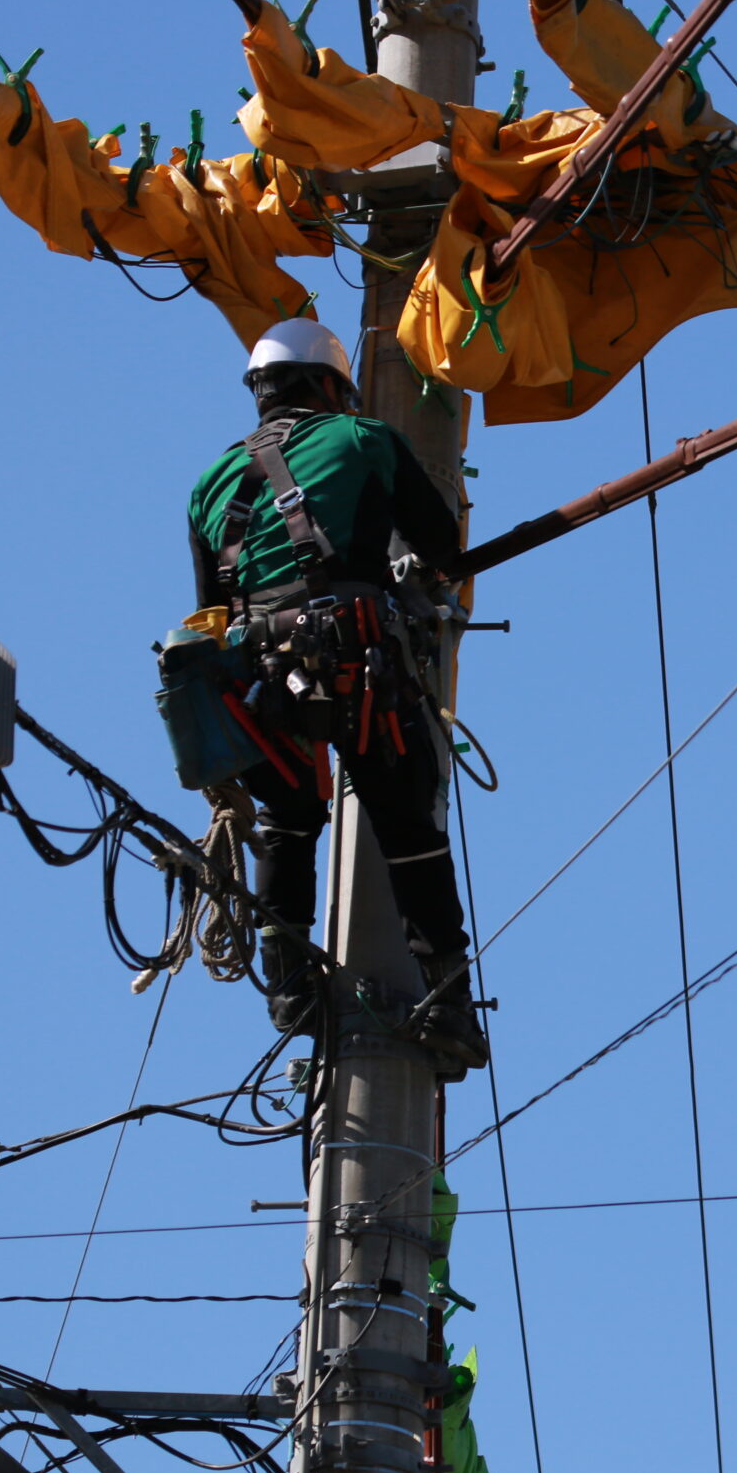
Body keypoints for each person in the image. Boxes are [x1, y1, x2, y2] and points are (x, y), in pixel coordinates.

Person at [184, 318, 487, 1068]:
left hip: (254, 673)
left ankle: (289, 986)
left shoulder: (208, 484)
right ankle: (446, 1001)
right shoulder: (362, 439)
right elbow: (442, 546)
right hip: (351, 657)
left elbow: (211, 611)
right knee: (408, 824)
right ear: (328, 385)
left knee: (288, 822)